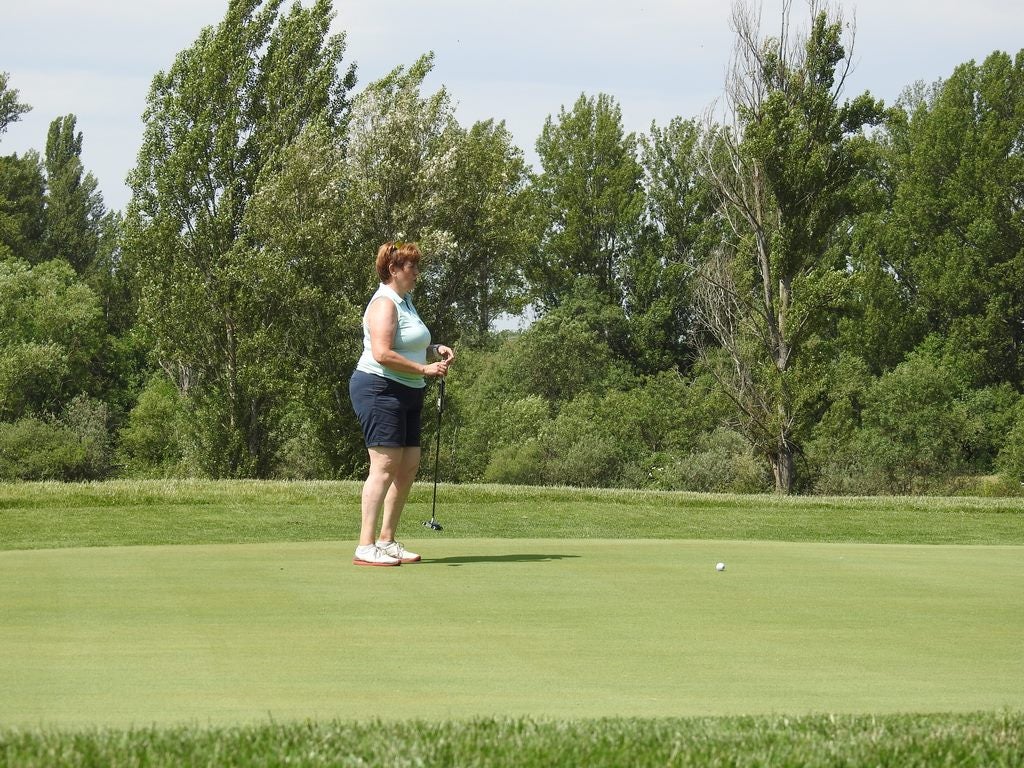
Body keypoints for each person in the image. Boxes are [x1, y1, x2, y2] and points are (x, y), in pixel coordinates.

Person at [348, 241, 454, 566]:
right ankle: (365, 545)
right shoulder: (384, 303)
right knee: (384, 467)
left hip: (408, 391)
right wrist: (424, 369)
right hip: (379, 388)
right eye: (412, 267)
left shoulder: (405, 301)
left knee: (407, 465)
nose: (417, 273)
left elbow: (405, 343)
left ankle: (387, 540)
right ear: (393, 269)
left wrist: (433, 349)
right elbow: (382, 353)